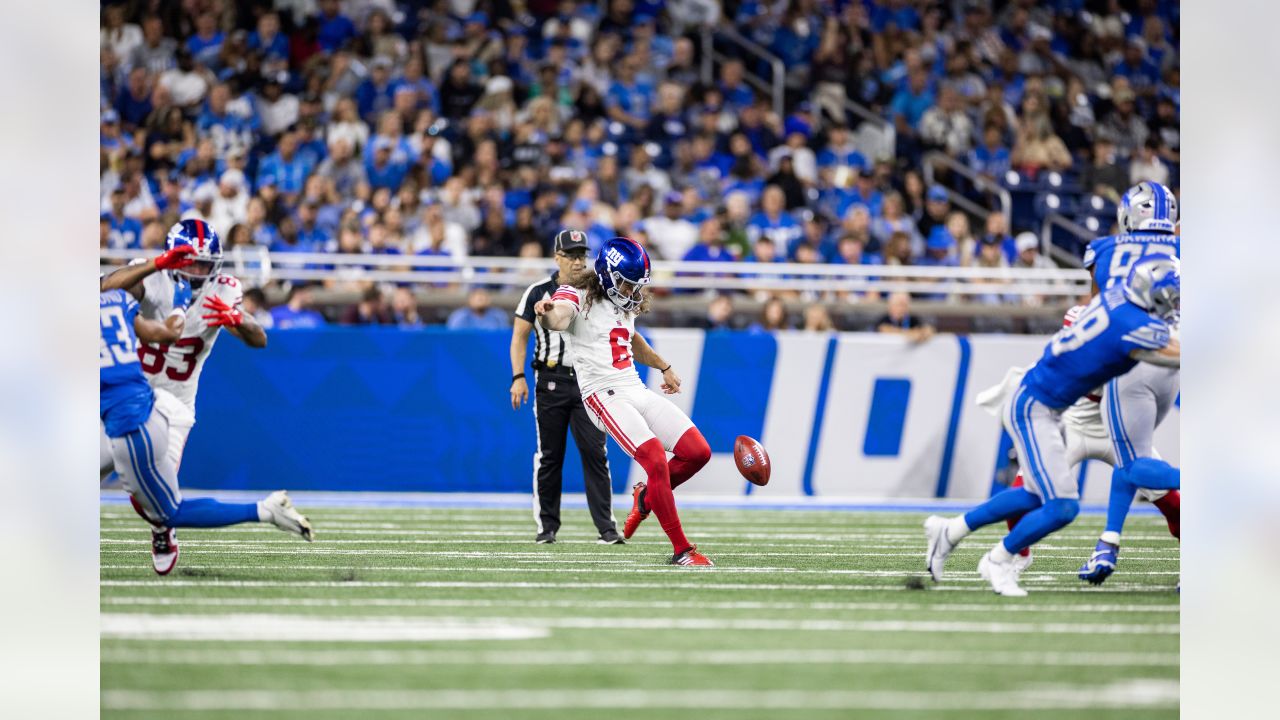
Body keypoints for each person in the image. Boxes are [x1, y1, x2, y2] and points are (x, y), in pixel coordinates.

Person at [923, 256, 1181, 596]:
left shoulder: (1117, 310)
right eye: (1169, 299)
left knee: (1035, 495)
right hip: (1048, 413)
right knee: (1060, 505)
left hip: (1089, 415)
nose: (1173, 307)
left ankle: (952, 531)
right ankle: (1001, 559)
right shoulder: (1125, 325)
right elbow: (1171, 352)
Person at [99, 220, 282, 575]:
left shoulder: (224, 290)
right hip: (131, 393)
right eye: (189, 262)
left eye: (204, 265)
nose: (197, 273)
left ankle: (161, 528)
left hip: (175, 403)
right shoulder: (152, 275)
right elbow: (103, 289)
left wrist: (238, 321)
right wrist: (158, 262)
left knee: (153, 500)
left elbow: (259, 339)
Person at [534, 237, 713, 566]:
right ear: (606, 273)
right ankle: (682, 550)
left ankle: (646, 497)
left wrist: (664, 366)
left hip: (634, 388)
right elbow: (559, 316)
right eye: (626, 284)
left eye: (635, 285)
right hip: (602, 394)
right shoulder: (576, 292)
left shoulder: (622, 304)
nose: (631, 292)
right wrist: (546, 315)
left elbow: (630, 339)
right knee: (656, 460)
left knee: (698, 452)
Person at [1076, 181, 1182, 583]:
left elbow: (1096, 309)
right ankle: (1107, 544)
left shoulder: (1104, 249)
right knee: (1129, 455)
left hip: (1129, 359)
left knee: (1135, 463)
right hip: (1174, 361)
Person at [511, 230, 620, 545]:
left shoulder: (597, 291)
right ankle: (547, 527)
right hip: (551, 380)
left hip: (589, 381)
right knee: (549, 456)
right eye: (571, 255)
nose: (577, 261)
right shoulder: (538, 291)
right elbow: (519, 335)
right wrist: (518, 376)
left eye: (581, 255)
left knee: (596, 453)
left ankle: (607, 528)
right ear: (557, 256)